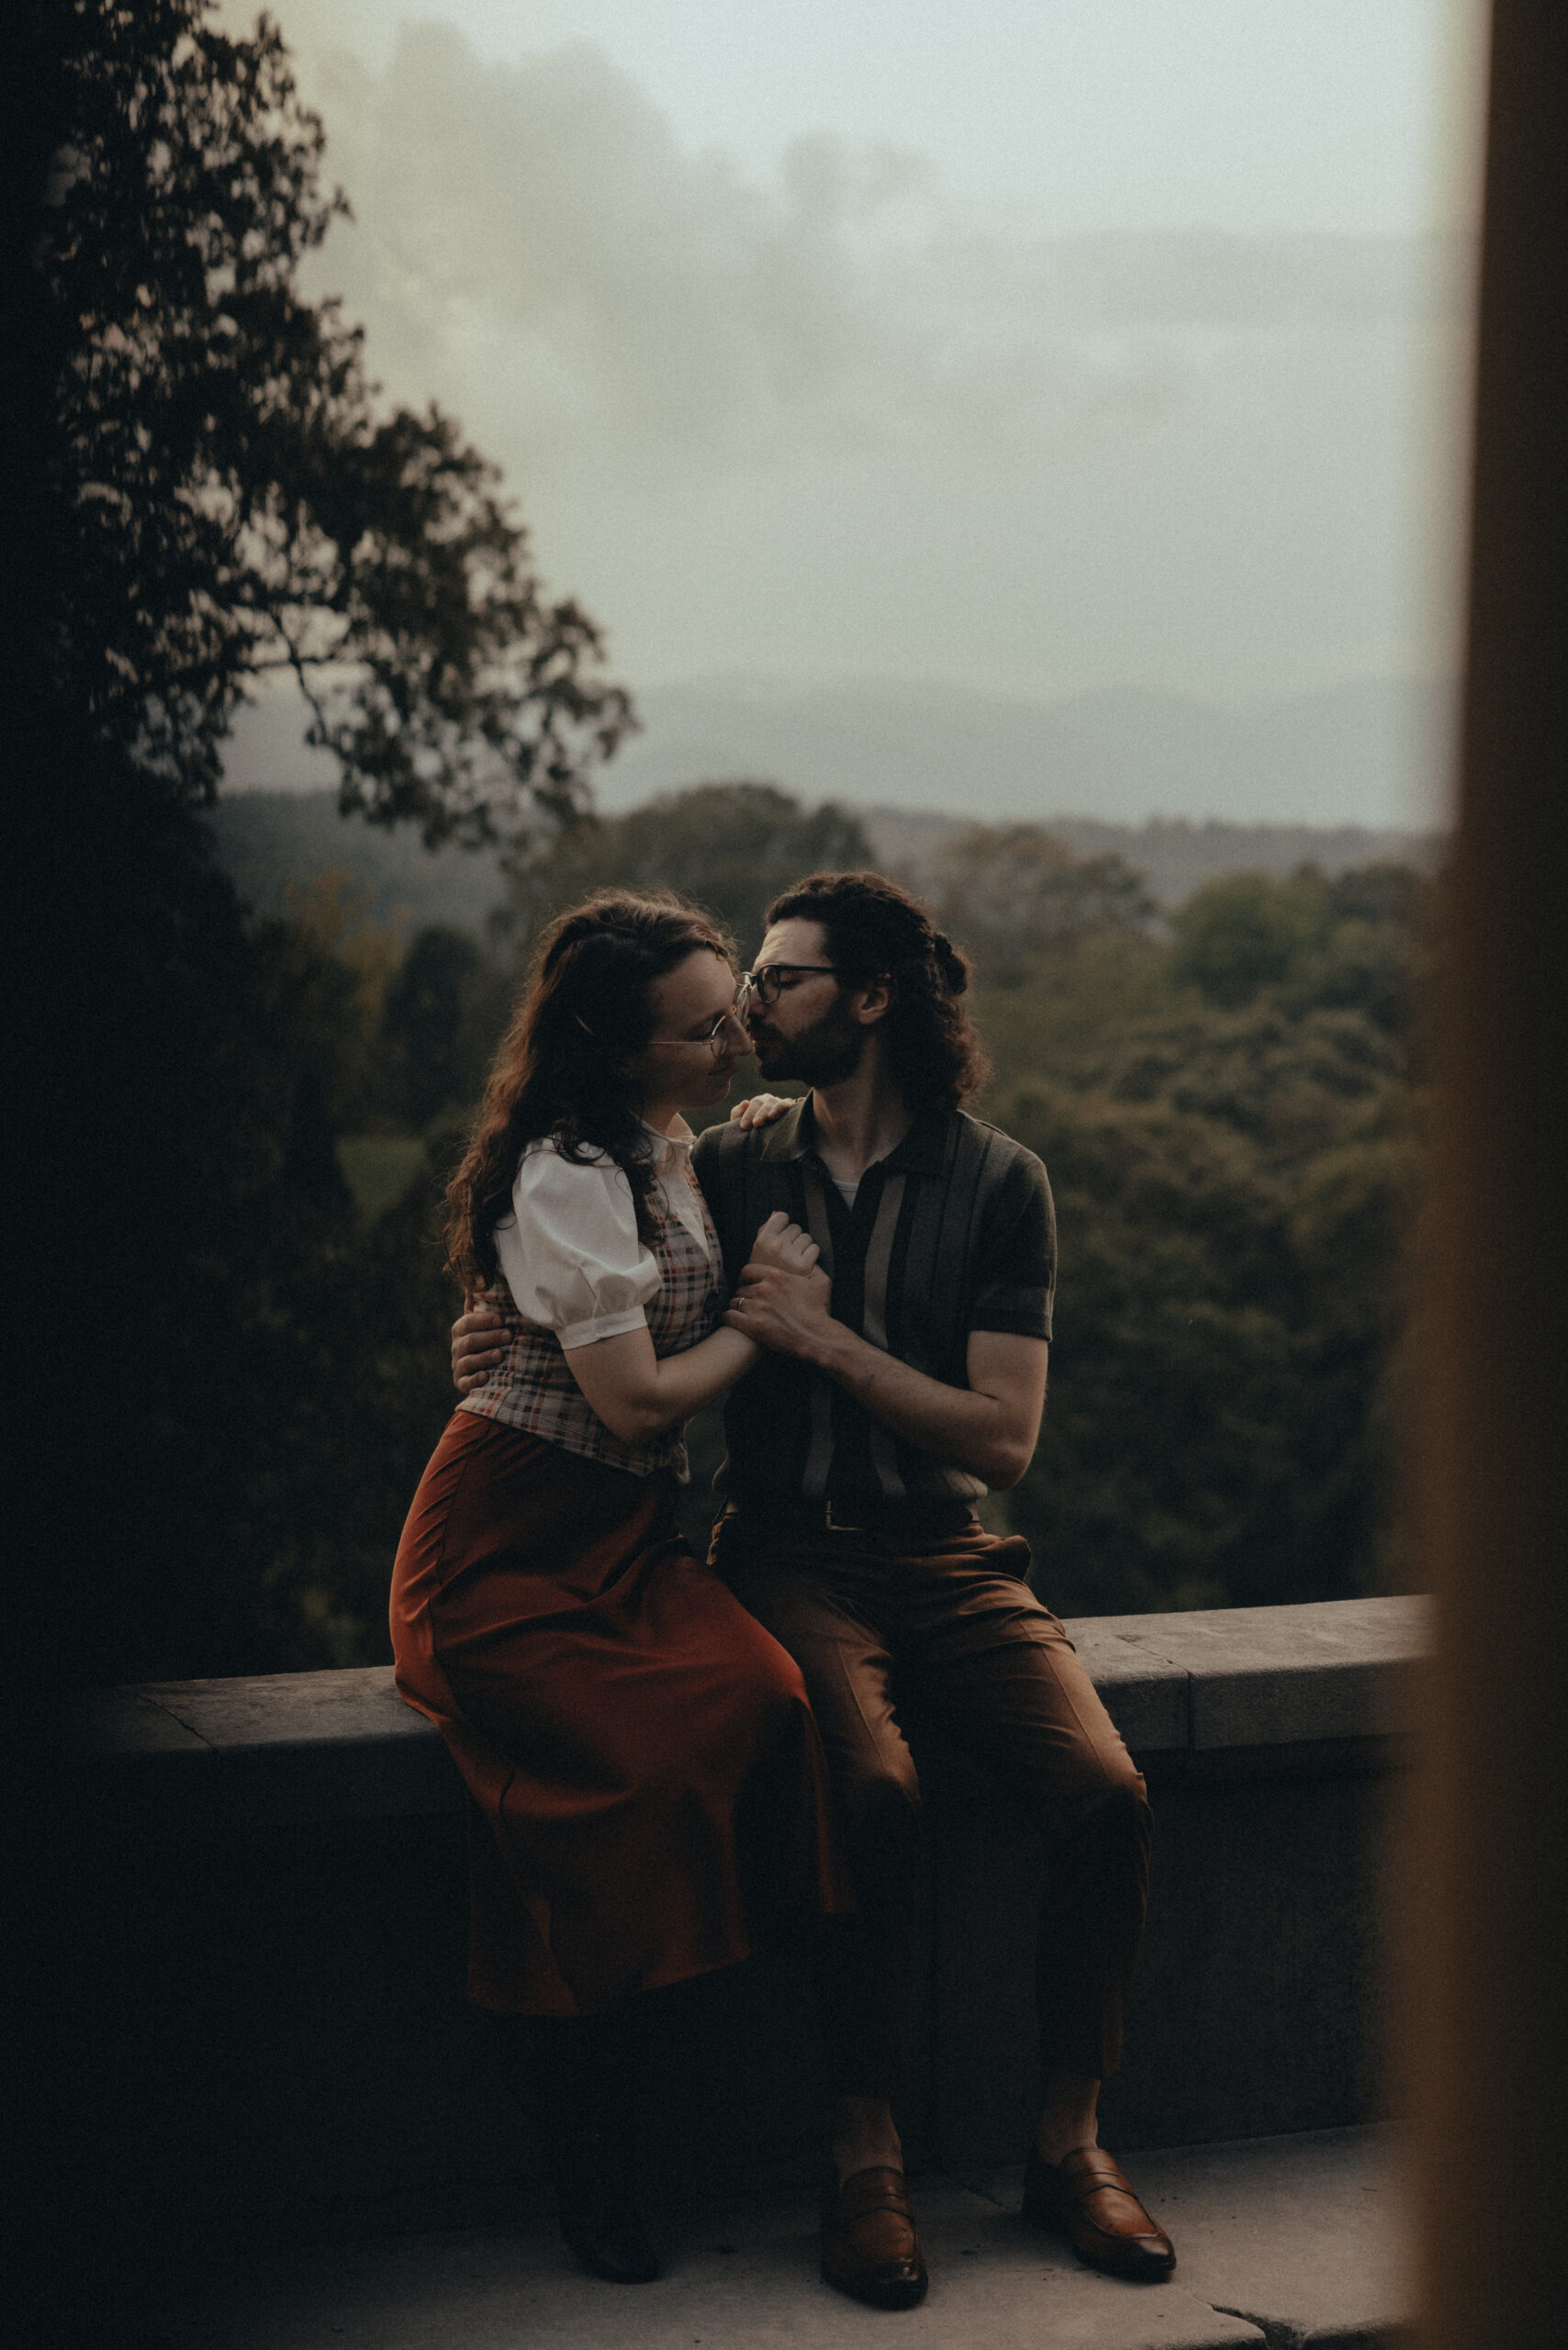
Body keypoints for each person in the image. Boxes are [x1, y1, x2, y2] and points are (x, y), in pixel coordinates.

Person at [454, 870, 1176, 2313]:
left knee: (1108, 1792)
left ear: (872, 998)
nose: (751, 1010)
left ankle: (1069, 2145)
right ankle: (865, 2161)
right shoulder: (726, 1161)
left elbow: (1006, 1441)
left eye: (780, 982)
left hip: (954, 1560)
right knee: (872, 1795)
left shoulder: (1001, 1183)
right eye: (747, 986)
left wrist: (826, 1343)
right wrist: (489, 1347)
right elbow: (579, 1250)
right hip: (784, 1554)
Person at [394, 889, 846, 2287]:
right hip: (507, 1548)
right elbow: (642, 1404)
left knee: (767, 1697)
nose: (736, 1037)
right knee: (629, 1777)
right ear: (618, 1041)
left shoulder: (675, 1144)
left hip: (628, 1546)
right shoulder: (566, 1172)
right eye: (707, 1025)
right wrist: (767, 1324)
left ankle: (723, 2054)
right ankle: (587, 2131)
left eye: (736, 1011)